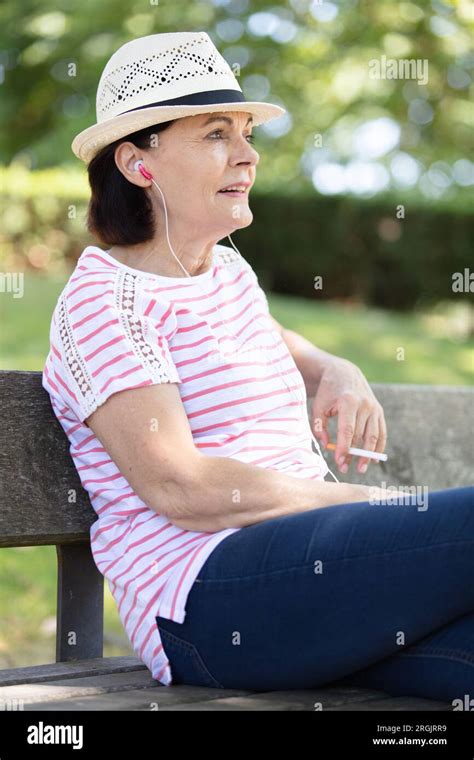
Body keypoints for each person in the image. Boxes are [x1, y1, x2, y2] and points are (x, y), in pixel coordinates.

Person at [42, 31, 473, 701]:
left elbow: (272, 338)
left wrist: (336, 367)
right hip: (207, 602)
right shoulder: (106, 304)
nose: (248, 156)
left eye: (245, 133)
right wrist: (369, 504)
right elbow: (183, 487)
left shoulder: (224, 273)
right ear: (138, 163)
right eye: (217, 134)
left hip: (304, 587)